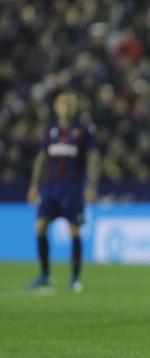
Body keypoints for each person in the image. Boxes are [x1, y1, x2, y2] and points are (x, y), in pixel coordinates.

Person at [26, 90, 99, 293]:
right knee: (40, 226)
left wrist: (91, 186)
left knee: (74, 229)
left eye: (70, 102)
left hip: (73, 188)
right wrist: (34, 185)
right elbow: (41, 158)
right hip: (50, 187)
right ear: (56, 106)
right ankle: (45, 275)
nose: (66, 106)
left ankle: (75, 278)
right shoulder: (50, 130)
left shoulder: (84, 131)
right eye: (63, 102)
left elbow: (93, 159)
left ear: (75, 106)